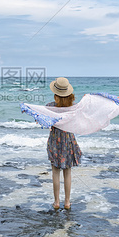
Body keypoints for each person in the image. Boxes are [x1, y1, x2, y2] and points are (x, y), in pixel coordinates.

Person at [46, 77, 81, 210]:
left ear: (56, 94)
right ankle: (67, 202)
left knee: (55, 171)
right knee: (67, 172)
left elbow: (45, 121)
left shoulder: (49, 107)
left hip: (55, 140)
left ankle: (56, 202)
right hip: (68, 140)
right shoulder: (72, 108)